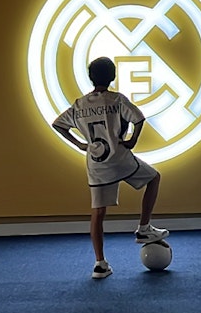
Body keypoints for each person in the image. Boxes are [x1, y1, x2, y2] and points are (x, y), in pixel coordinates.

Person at [52, 56, 168, 279]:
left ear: (90, 78)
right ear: (113, 76)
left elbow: (58, 124)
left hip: (96, 162)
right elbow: (139, 118)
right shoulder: (116, 100)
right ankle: (144, 227)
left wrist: (80, 144)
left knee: (98, 213)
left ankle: (100, 264)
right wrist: (133, 140)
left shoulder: (79, 104)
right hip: (119, 157)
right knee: (153, 178)